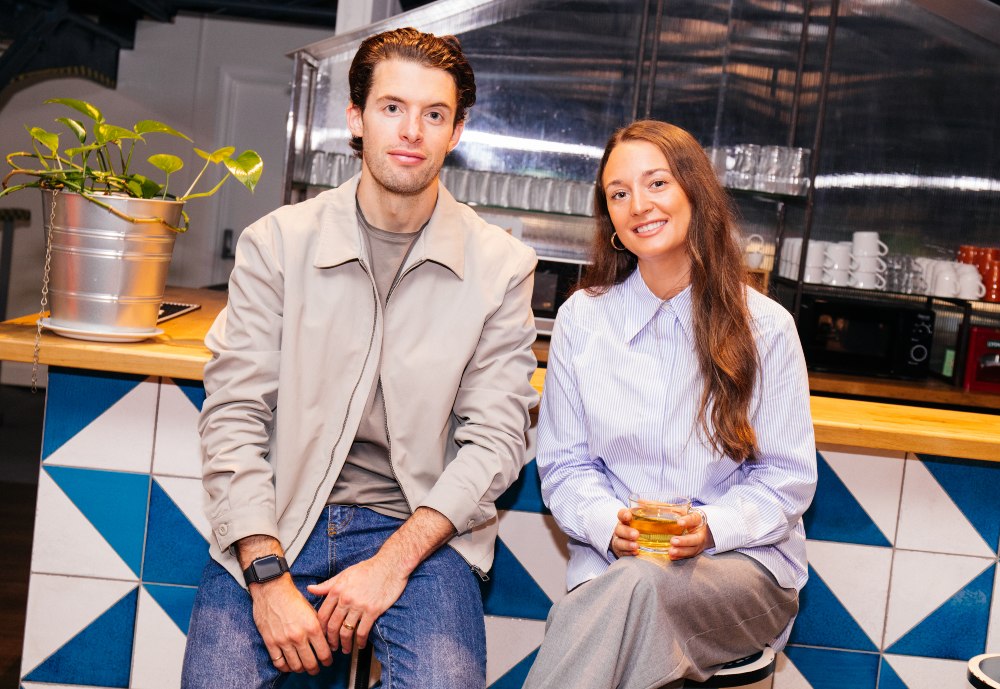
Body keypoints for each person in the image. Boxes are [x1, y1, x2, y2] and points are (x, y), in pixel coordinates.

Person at [181, 27, 538, 689]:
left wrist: (392, 564)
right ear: (356, 118)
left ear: (456, 131)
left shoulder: (501, 266)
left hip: (422, 530)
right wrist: (264, 575)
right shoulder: (277, 244)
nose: (411, 131)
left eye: (434, 114)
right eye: (391, 107)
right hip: (283, 517)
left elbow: (495, 441)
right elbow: (232, 416)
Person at [523, 120, 816, 689]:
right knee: (632, 595)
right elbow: (564, 467)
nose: (639, 205)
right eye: (619, 193)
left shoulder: (767, 328)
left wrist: (708, 528)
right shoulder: (584, 319)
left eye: (656, 183)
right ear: (609, 218)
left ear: (693, 193)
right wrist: (611, 526)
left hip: (739, 576)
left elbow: (786, 480)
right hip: (616, 570)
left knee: (634, 592)